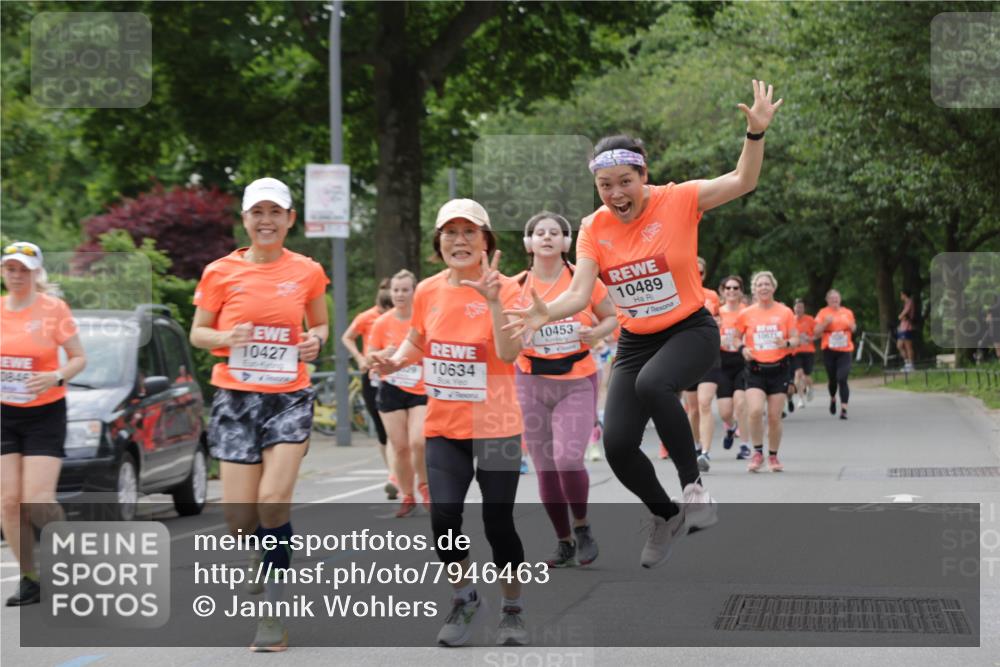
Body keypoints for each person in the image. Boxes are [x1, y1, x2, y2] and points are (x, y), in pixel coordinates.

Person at [505, 79, 783, 568]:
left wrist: (755, 135)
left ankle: (694, 488)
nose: (615, 194)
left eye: (624, 182)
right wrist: (545, 310)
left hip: (689, 330)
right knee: (615, 445)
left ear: (643, 175)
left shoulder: (679, 200)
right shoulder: (594, 227)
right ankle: (664, 515)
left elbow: (743, 180)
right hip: (636, 339)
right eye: (604, 186)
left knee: (657, 384)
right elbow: (579, 290)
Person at [371, 199, 530, 647]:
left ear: (486, 241)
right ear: (438, 242)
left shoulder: (509, 289)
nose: (459, 240)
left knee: (498, 524)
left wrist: (495, 301)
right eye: (449, 232)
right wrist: (393, 360)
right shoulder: (427, 290)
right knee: (443, 519)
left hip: (497, 428)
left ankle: (513, 609)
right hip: (444, 428)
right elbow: (417, 340)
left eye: (469, 232)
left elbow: (507, 354)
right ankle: (464, 597)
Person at [190, 178, 329, 652]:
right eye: (257, 212)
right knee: (239, 518)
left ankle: (272, 616)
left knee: (273, 501)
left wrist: (317, 340)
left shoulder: (308, 270)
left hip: (288, 397)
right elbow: (198, 334)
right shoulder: (219, 272)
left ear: (290, 219)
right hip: (235, 399)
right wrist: (228, 339)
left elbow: (321, 323)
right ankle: (256, 552)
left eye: (276, 212)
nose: (266, 220)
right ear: (245, 219)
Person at [514, 212, 618, 568]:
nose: (546, 237)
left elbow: (612, 316)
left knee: (568, 458)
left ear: (566, 242)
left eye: (554, 232)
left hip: (577, 378)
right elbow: (502, 339)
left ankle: (583, 525)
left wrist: (598, 333)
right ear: (528, 243)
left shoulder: (583, 281)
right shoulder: (515, 287)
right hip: (531, 381)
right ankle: (563, 541)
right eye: (538, 232)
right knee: (544, 469)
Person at [1, 242, 86, 606]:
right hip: (5, 413)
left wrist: (55, 375)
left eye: (23, 269)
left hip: (45, 413)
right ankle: (30, 578)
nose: (16, 275)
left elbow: (79, 358)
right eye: (10, 268)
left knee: (38, 501)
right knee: (8, 502)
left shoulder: (54, 310)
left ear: (36, 273)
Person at [367, 269, 429, 517]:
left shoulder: (423, 319)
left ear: (414, 292)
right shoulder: (382, 322)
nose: (400, 294)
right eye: (396, 290)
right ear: (389, 293)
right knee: (400, 446)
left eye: (405, 290)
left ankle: (424, 486)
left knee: (418, 441)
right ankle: (407, 494)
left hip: (421, 387)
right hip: (391, 388)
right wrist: (385, 354)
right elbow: (370, 357)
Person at [736, 271, 798, 472]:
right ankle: (757, 453)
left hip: (779, 369)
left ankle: (773, 456)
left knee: (774, 416)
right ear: (754, 289)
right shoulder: (746, 313)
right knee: (754, 411)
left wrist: (786, 342)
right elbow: (736, 338)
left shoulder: (785, 312)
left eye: (767, 284)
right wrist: (742, 349)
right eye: (759, 285)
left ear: (774, 287)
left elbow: (796, 339)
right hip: (755, 369)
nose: (763, 287)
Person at [342, 283, 396, 498]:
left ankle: (397, 474)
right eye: (382, 310)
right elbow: (347, 337)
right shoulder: (366, 317)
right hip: (371, 375)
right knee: (382, 429)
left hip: (396, 375)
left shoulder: (402, 316)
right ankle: (392, 472)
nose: (385, 315)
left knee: (396, 428)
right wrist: (359, 358)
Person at [710, 275, 752, 460]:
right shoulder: (717, 313)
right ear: (722, 291)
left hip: (743, 361)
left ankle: (744, 445)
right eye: (728, 288)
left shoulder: (748, 312)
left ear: (741, 291)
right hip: (722, 361)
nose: (732, 291)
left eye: (736, 288)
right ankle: (731, 426)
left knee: (741, 404)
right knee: (725, 411)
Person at [688, 257, 721, 472]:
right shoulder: (678, 292)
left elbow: (718, 321)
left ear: (704, 275)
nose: (696, 275)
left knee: (705, 403)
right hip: (685, 355)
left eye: (700, 273)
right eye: (693, 271)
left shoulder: (712, 296)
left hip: (708, 353)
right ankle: (696, 445)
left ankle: (705, 453)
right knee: (692, 409)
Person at [815, 289, 857, 420]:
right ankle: (833, 397)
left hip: (845, 350)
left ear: (840, 299)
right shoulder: (823, 313)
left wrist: (852, 326)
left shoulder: (847, 312)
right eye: (832, 298)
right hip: (829, 350)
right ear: (827, 300)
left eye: (836, 298)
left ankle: (844, 409)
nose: (835, 300)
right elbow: (816, 332)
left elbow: (854, 328)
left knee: (842, 378)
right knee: (833, 380)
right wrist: (825, 323)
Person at [791, 298, 816, 409]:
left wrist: (810, 338)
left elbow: (817, 334)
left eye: (801, 307)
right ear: (794, 308)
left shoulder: (810, 319)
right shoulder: (790, 320)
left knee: (807, 376)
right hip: (795, 352)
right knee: (798, 374)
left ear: (804, 309)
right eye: (797, 307)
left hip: (808, 351)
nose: (799, 309)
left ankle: (810, 387)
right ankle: (800, 399)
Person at [896, 289, 915, 371]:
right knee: (899, 345)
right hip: (902, 327)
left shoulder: (909, 302)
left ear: (904, 295)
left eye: (901, 294)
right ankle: (907, 363)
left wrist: (901, 315)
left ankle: (911, 364)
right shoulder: (905, 303)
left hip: (907, 327)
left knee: (908, 346)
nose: (901, 296)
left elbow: (904, 314)